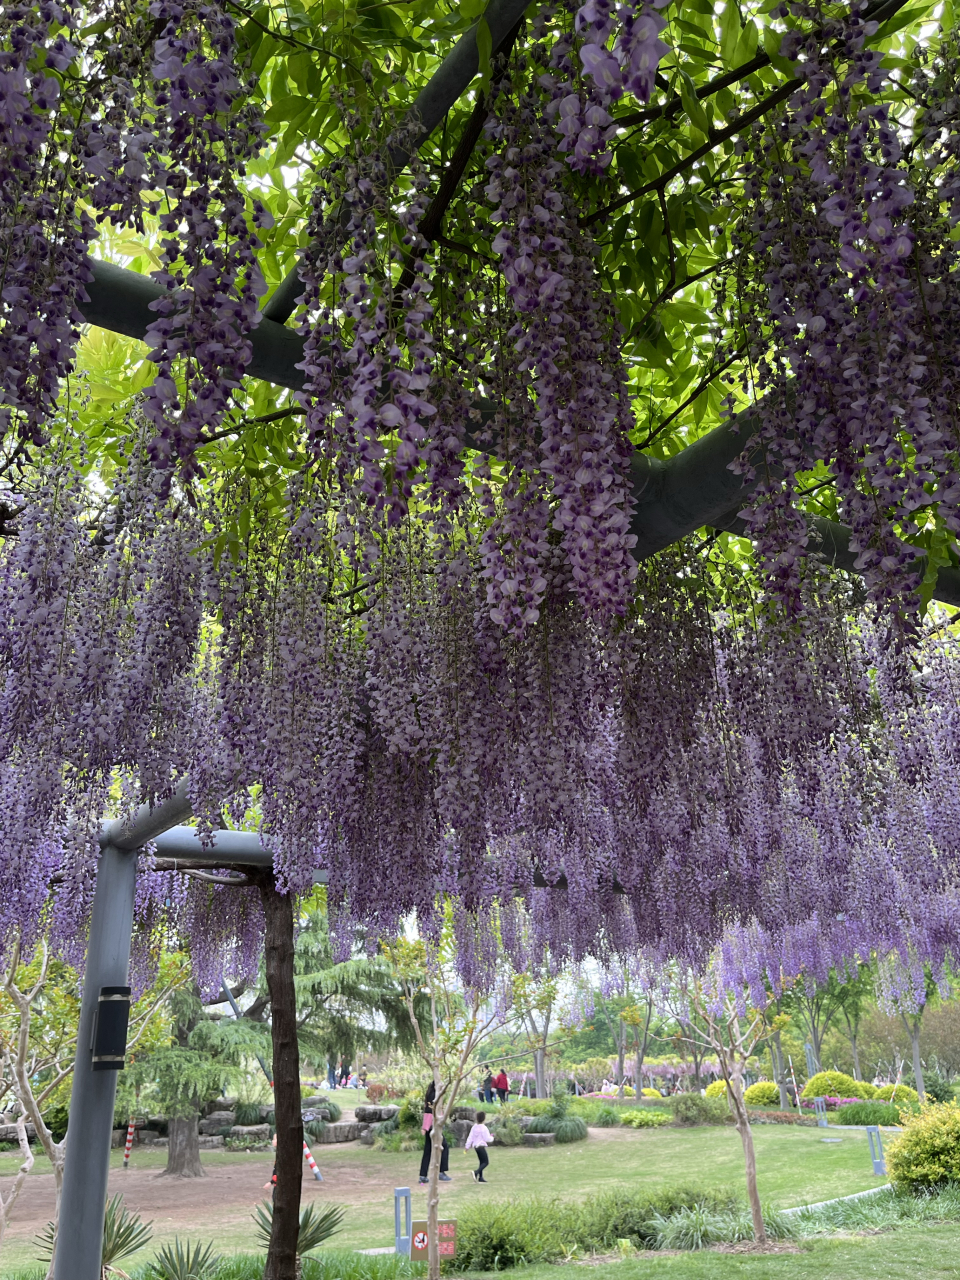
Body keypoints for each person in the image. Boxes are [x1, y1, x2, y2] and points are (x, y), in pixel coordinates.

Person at [419, 1080, 452, 1185]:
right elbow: (429, 1112)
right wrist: (425, 1127)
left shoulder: (432, 1094)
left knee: (428, 1150)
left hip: (431, 1126)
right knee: (444, 1147)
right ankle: (441, 1172)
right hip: (433, 1126)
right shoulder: (434, 1096)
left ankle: (423, 1176)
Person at [465, 1110, 493, 1183]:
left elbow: (470, 1137)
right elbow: (487, 1138)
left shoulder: (474, 1127)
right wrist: (492, 1138)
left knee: (481, 1161)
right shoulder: (484, 1128)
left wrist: (467, 1146)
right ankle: (476, 1172)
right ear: (484, 1118)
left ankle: (481, 1177)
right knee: (486, 1162)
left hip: (476, 1147)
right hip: (481, 1146)